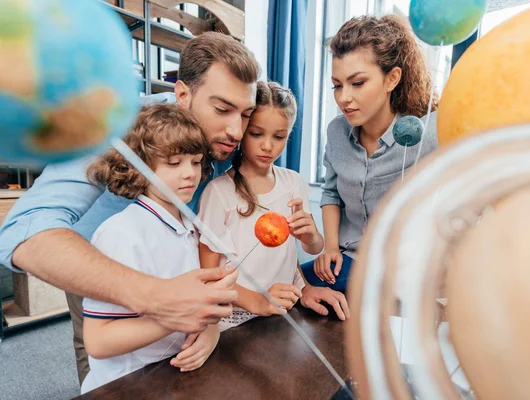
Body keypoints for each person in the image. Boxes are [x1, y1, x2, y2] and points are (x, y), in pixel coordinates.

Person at [0, 31, 259, 384]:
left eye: (245, 114)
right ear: (183, 93)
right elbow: (21, 231)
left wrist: (208, 321)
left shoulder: (229, 138)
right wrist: (157, 297)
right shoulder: (118, 124)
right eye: (222, 109)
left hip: (180, 271)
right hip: (101, 268)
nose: (235, 130)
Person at [80, 104, 223, 393]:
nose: (190, 174)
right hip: (126, 385)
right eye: (174, 163)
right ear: (140, 167)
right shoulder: (120, 235)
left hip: (171, 376)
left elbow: (200, 307)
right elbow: (98, 341)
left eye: (196, 162)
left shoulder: (189, 223)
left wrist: (210, 331)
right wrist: (182, 317)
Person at [301, 15, 439, 291]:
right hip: (349, 260)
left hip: (404, 274)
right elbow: (330, 193)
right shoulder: (337, 132)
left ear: (392, 79)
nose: (343, 98)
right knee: (292, 288)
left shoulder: (429, 131)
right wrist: (330, 247)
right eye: (337, 85)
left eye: (358, 83)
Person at [199, 81, 350, 328]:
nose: (268, 146)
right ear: (242, 130)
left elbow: (309, 250)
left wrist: (306, 285)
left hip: (279, 317)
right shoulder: (219, 193)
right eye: (256, 134)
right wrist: (258, 300)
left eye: (279, 136)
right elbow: (208, 276)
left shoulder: (294, 183)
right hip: (230, 325)